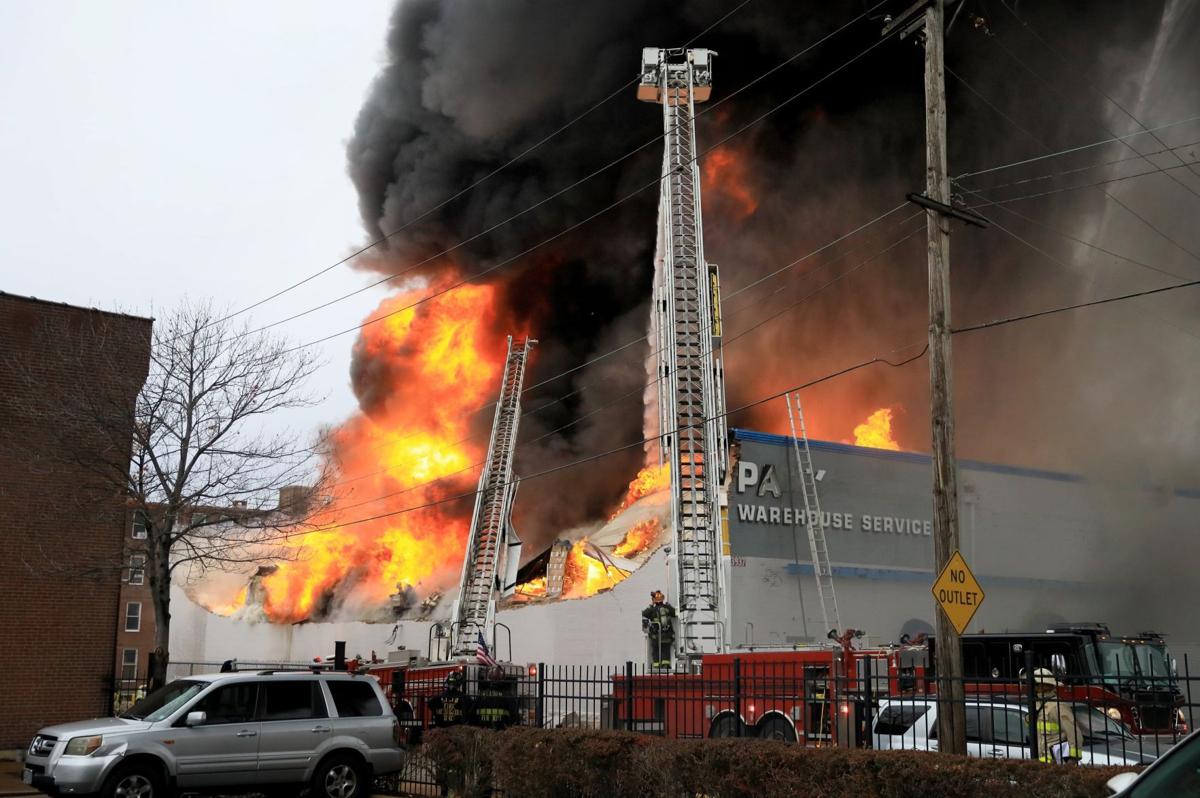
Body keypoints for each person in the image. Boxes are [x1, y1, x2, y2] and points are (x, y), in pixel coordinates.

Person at [1026, 667, 1084, 763]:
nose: (1034, 688)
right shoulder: (1037, 705)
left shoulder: (1058, 706)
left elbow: (1073, 733)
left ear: (1046, 686)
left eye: (1036, 685)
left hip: (1057, 763)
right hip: (1042, 761)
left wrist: (1073, 759)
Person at [642, 590, 676, 670]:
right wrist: (669, 605)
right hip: (667, 635)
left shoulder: (652, 610)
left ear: (655, 601)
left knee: (656, 650)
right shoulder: (667, 608)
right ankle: (665, 665)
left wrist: (651, 604)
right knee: (665, 650)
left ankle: (656, 665)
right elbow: (674, 612)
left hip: (656, 636)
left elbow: (644, 614)